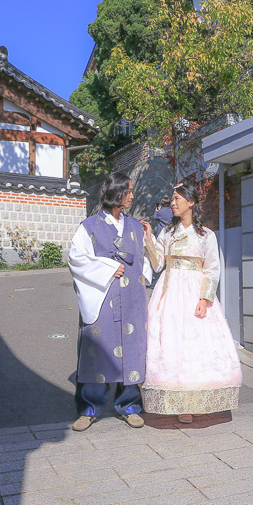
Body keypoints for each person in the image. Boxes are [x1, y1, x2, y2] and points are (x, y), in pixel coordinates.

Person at [140, 182, 241, 424]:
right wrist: (148, 241)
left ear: (191, 202)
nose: (172, 203)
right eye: (172, 199)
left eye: (177, 199)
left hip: (195, 292)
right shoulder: (168, 232)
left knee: (196, 347)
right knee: (173, 344)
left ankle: (195, 401)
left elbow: (212, 270)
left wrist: (205, 299)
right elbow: (157, 265)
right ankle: (178, 402)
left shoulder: (207, 235)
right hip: (170, 291)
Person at [68, 172, 151, 431]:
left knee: (133, 347)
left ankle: (130, 406)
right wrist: (106, 268)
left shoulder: (137, 226)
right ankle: (89, 408)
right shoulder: (89, 226)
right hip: (102, 295)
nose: (132, 195)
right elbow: (76, 259)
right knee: (98, 348)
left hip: (132, 297)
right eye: (128, 191)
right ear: (116, 192)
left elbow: (146, 259)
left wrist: (143, 277)